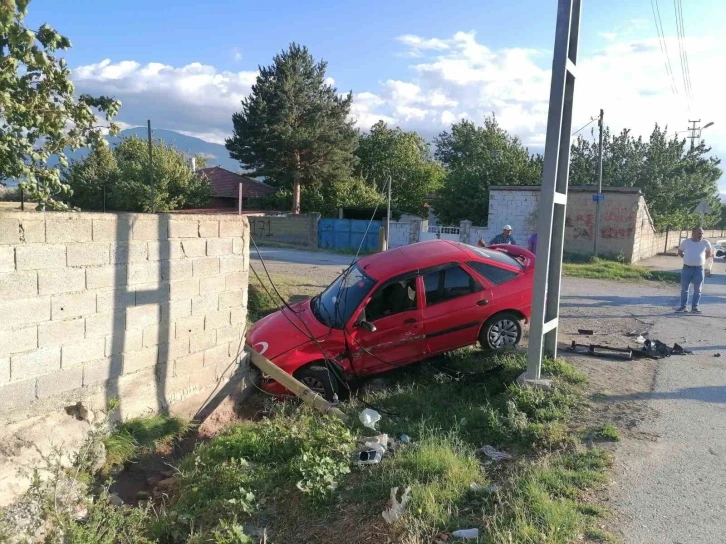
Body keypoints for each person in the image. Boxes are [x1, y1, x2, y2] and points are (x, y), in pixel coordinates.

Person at [677, 227, 712, 314]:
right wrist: (687, 259)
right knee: (684, 289)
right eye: (699, 233)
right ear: (693, 233)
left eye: (702, 233)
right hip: (686, 268)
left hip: (699, 269)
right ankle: (683, 307)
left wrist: (701, 260)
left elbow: (709, 253)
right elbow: (680, 252)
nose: (701, 235)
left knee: (698, 289)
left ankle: (694, 307)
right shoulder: (686, 242)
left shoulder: (705, 242)